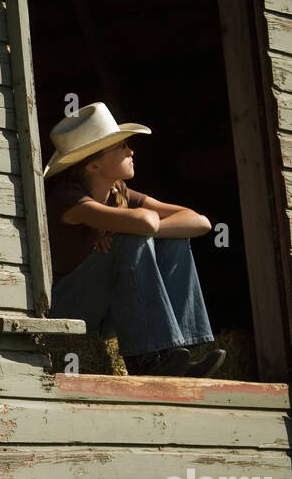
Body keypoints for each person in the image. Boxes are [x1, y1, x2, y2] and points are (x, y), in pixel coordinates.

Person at [41, 102, 226, 378]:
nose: (131, 151)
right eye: (122, 146)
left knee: (173, 241)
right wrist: (129, 231)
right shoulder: (69, 199)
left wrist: (119, 230)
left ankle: (179, 353)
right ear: (94, 165)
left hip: (107, 307)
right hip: (70, 308)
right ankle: (146, 360)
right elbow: (146, 222)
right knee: (135, 240)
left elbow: (199, 222)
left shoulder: (119, 191)